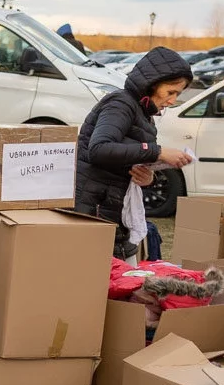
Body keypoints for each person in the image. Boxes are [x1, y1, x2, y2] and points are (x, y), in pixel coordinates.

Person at [75, 47, 194, 259]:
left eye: (177, 94)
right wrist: (156, 152)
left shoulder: (143, 115)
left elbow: (130, 157)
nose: (172, 101)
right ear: (152, 84)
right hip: (94, 211)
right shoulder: (120, 104)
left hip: (114, 213)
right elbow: (99, 149)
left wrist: (147, 177)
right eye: (170, 92)